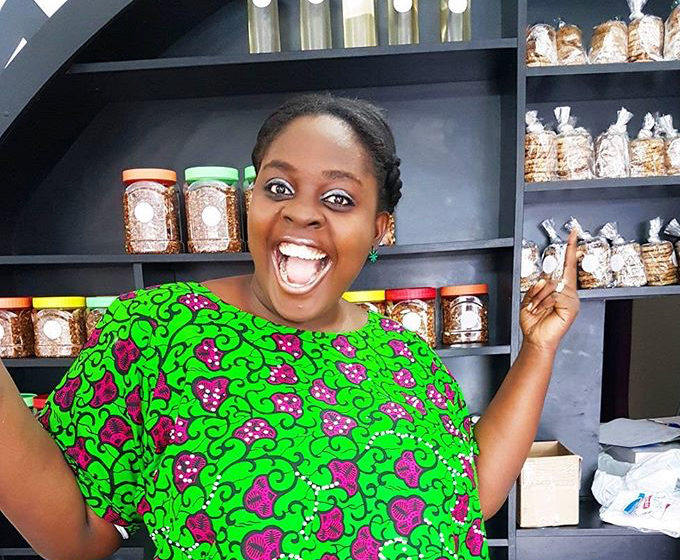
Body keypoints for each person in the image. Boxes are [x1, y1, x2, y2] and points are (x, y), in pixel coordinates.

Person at [0, 93, 579, 560]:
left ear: (379, 230)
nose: (302, 211)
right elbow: (74, 535)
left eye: (338, 198)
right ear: (250, 200)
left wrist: (538, 349)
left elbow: (470, 498)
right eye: (278, 188)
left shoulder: (407, 355)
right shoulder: (159, 331)